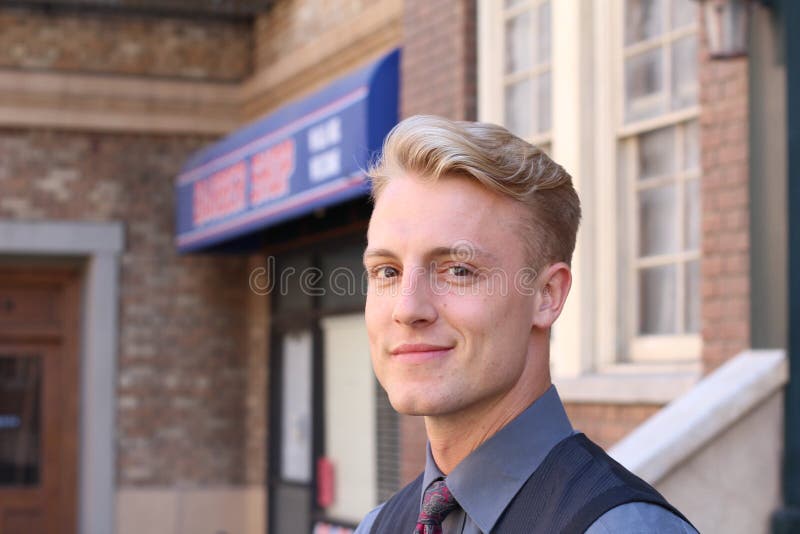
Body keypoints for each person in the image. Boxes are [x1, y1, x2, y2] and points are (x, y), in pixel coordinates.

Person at [354, 115, 697, 534]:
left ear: (547, 295)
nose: (407, 309)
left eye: (458, 270)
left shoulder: (622, 528)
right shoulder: (378, 527)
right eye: (387, 272)